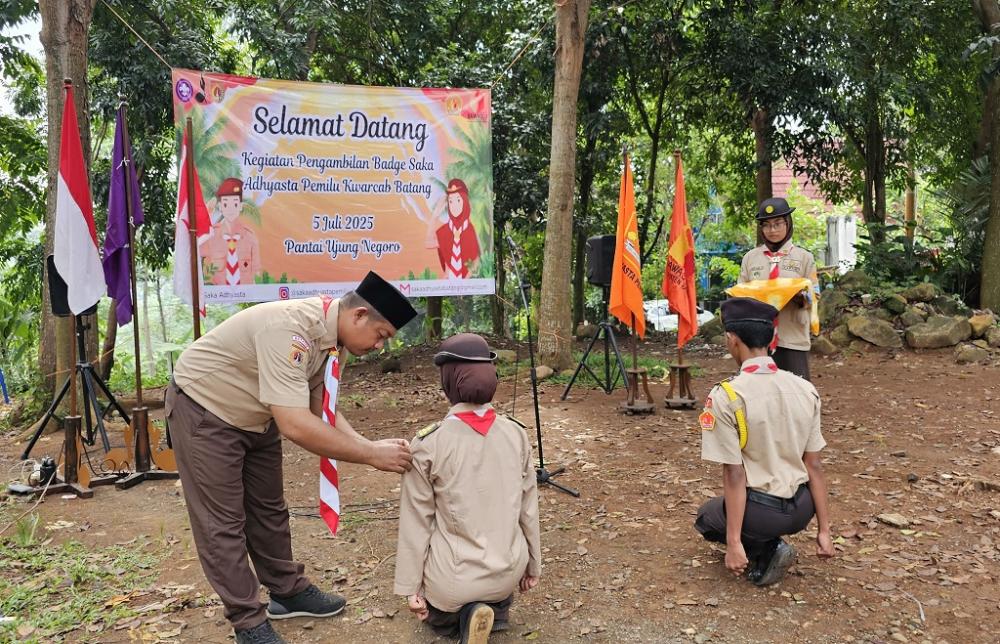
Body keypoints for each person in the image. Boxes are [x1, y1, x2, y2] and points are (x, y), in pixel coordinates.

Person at [165, 271, 418, 644]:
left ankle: (287, 591)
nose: (380, 346)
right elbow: (297, 425)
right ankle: (248, 623)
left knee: (268, 509)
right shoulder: (291, 329)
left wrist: (369, 444)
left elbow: (320, 404)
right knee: (222, 523)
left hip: (259, 412)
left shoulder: (334, 340)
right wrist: (370, 454)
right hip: (206, 410)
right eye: (381, 335)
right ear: (359, 315)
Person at [394, 333, 541, 644]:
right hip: (508, 574)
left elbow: (416, 523)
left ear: (447, 380)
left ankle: (459, 620)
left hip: (454, 581)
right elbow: (528, 510)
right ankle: (494, 611)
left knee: (438, 617)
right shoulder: (516, 434)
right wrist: (533, 566)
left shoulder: (428, 443)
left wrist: (410, 588)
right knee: (498, 597)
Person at [694, 297, 834, 587]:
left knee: (707, 517)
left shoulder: (727, 396)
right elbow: (814, 465)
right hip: (802, 509)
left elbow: (734, 473)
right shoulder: (805, 388)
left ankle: (766, 548)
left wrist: (733, 542)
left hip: (763, 514)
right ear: (771, 339)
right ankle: (770, 542)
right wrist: (824, 531)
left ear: (732, 339)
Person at [738, 197, 818, 380]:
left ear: (788, 223)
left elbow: (815, 295)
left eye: (777, 224)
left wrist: (800, 297)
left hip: (793, 339)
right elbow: (740, 294)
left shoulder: (804, 258)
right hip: (757, 343)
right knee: (758, 392)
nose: (772, 230)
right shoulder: (750, 258)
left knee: (797, 391)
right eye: (766, 225)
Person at [205, 177, 261, 286]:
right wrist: (208, 210)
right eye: (226, 204)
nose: (230, 209)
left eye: (235, 204)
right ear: (220, 207)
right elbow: (200, 258)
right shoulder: (212, 235)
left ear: (240, 206)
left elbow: (256, 272)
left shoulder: (250, 237)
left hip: (245, 294)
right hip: (218, 295)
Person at [424, 178, 481, 279]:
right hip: (448, 282)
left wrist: (466, 280)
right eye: (450, 201)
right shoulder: (445, 230)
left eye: (458, 200)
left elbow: (476, 258)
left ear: (464, 201)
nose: (454, 206)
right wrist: (435, 215)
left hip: (466, 283)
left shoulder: (469, 229)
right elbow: (428, 243)